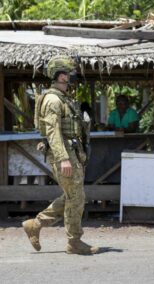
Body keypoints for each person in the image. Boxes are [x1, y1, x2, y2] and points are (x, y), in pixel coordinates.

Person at [23, 55, 98, 255]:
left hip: (72, 153)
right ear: (61, 76)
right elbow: (53, 131)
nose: (74, 76)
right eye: (70, 72)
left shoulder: (64, 98)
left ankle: (36, 223)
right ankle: (74, 242)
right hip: (63, 154)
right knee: (76, 197)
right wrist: (63, 157)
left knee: (74, 196)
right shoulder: (53, 100)